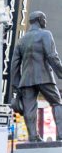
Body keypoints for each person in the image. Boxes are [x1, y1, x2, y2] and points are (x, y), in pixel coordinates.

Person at [9, 11, 62, 142]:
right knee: (57, 102)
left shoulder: (21, 40)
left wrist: (16, 86)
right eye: (44, 19)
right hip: (44, 76)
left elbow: (14, 65)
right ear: (39, 19)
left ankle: (33, 137)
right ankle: (61, 134)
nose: (46, 22)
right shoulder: (46, 34)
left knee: (29, 108)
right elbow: (52, 56)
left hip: (26, 80)